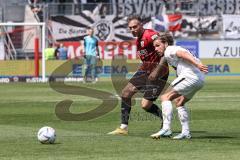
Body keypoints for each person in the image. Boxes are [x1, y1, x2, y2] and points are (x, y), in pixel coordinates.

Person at [108, 15, 169, 135]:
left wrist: (157, 70)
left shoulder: (150, 35)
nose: (132, 30)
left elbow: (165, 49)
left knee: (145, 105)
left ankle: (166, 120)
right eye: (130, 28)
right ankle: (123, 128)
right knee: (126, 93)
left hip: (158, 72)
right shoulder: (138, 39)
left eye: (135, 27)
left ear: (141, 25)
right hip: (145, 70)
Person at [150, 32, 208, 139]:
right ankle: (185, 132)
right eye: (154, 46)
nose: (156, 49)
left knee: (165, 96)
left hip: (190, 76)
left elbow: (182, 54)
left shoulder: (169, 50)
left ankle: (166, 128)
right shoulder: (170, 54)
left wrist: (197, 64)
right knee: (179, 101)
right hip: (200, 79)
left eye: (158, 45)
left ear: (166, 43)